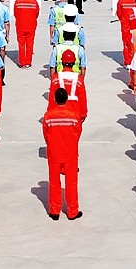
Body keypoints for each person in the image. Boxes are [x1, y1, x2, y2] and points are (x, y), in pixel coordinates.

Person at [42, 86, 84, 220]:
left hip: (54, 152)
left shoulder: (48, 116)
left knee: (54, 182)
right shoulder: (74, 116)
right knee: (71, 183)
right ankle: (72, 211)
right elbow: (78, 133)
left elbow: (46, 134)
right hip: (70, 153)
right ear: (67, 99)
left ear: (55, 99)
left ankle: (54, 211)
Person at [50, 49, 89, 122]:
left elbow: (52, 97)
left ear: (62, 62)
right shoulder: (79, 79)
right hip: (75, 113)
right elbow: (82, 98)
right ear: (74, 63)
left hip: (58, 113)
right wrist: (83, 114)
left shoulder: (55, 78)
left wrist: (50, 111)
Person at [13, 0, 41, 68]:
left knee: (21, 44)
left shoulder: (17, 2)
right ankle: (28, 62)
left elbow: (15, 14)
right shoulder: (34, 2)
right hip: (31, 26)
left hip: (20, 26)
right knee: (30, 44)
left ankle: (22, 63)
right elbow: (37, 14)